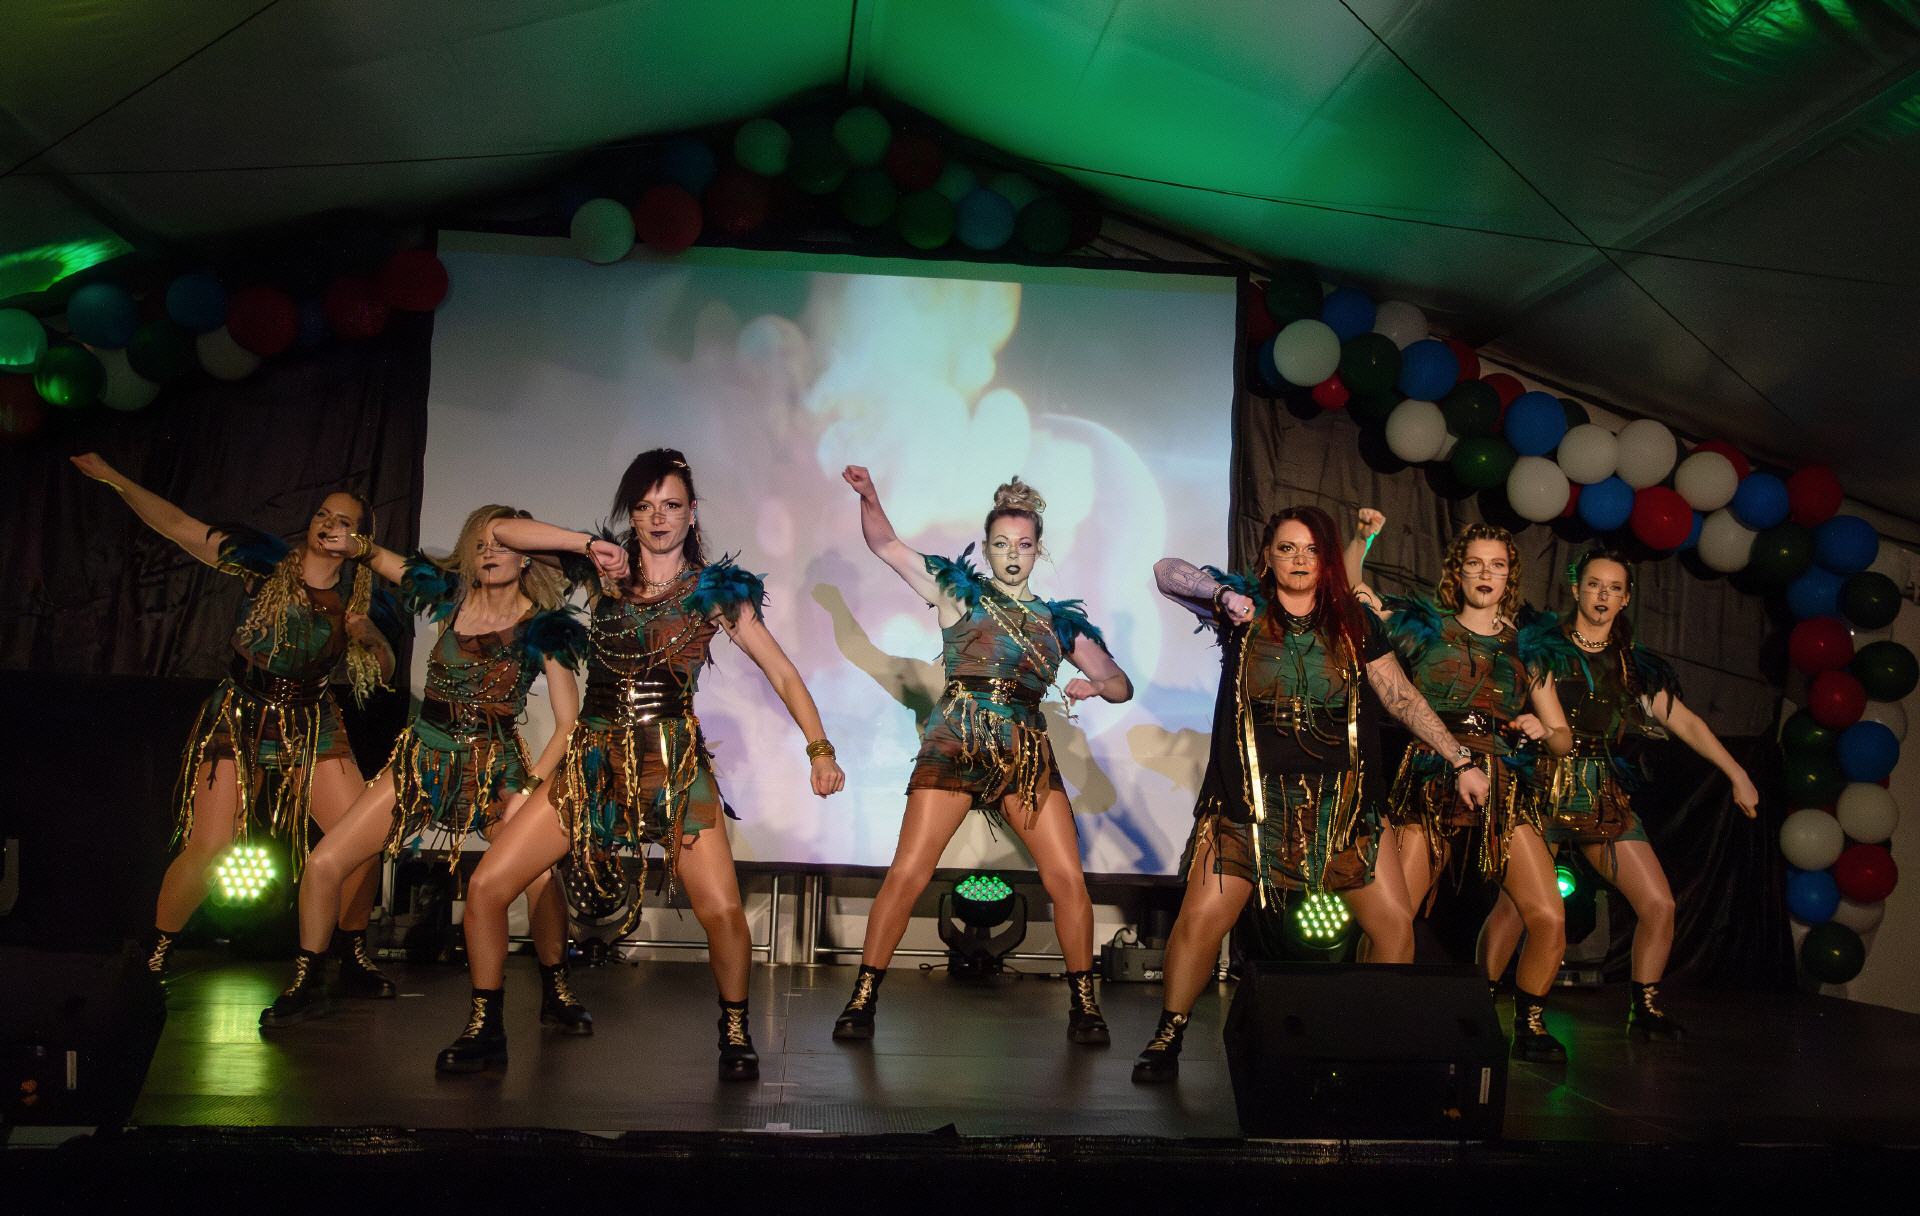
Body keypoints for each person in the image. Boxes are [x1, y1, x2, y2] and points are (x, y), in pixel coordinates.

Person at [432, 449, 844, 1079]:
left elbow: (782, 672)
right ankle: (485, 1028)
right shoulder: (604, 573)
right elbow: (499, 531)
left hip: (669, 764)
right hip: (593, 760)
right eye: (646, 507)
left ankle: (735, 1032)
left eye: (670, 505)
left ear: (691, 512)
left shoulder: (712, 592)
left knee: (721, 910)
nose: (657, 518)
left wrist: (820, 749)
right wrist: (587, 545)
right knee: (488, 888)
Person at [1130, 506, 1492, 1081]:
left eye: (1311, 550)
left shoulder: (1353, 621)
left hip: (1342, 806)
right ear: (1268, 557)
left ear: (1326, 560)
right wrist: (1221, 595)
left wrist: (1460, 759)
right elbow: (1164, 571)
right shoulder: (1243, 612)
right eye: (1287, 548)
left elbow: (1400, 696)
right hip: (1251, 803)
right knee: (1200, 920)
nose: (1299, 560)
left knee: (1393, 925)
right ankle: (1168, 1035)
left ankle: (1369, 1039)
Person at [70, 452, 397, 992]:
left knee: (362, 839)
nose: (327, 525)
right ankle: (155, 953)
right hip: (241, 713)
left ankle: (351, 952)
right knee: (210, 845)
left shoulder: (358, 596)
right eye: (322, 514)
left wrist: (370, 637)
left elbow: (383, 670)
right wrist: (113, 478)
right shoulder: (266, 564)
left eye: (343, 521)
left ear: (359, 539)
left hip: (311, 720)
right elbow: (180, 526)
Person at [260, 505, 592, 1033]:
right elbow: (391, 564)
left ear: (527, 557)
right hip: (424, 756)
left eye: (503, 544)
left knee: (539, 877)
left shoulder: (545, 628)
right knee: (325, 862)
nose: (490, 553)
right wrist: (357, 546)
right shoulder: (449, 600)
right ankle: (308, 981)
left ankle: (556, 987)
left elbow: (569, 724)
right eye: (480, 544)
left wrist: (530, 788)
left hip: (493, 765)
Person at [831, 469, 1132, 1046]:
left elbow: (1120, 684)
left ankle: (1085, 1006)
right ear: (987, 548)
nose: (1013, 555)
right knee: (909, 871)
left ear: (1038, 550)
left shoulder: (1059, 623)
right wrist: (870, 497)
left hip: (1024, 750)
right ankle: (862, 999)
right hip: (956, 739)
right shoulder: (958, 593)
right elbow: (885, 545)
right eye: (1001, 544)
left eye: (1024, 544)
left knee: (1067, 878)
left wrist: (1096, 686)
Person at [1479, 550, 1760, 1041]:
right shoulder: (1543, 646)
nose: (1602, 595)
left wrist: (1737, 773)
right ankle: (1480, 1003)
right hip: (1538, 785)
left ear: (1626, 598)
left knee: (1659, 903)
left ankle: (1644, 1008)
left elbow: (1686, 722)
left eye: (1613, 588)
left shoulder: (1633, 666)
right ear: (1576, 589)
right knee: (1516, 908)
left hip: (1598, 789)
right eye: (1594, 585)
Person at [1359, 519, 1576, 1062]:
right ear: (1458, 571)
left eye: (1497, 565)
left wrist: (1543, 729)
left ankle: (1529, 1022)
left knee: (1549, 914)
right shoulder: (1423, 627)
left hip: (1501, 781)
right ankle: (1367, 1013)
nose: (1486, 573)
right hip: (1431, 771)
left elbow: (1563, 737)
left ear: (1509, 577)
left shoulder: (1528, 646)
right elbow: (1353, 598)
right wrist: (1362, 541)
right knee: (1393, 915)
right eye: (1475, 563)